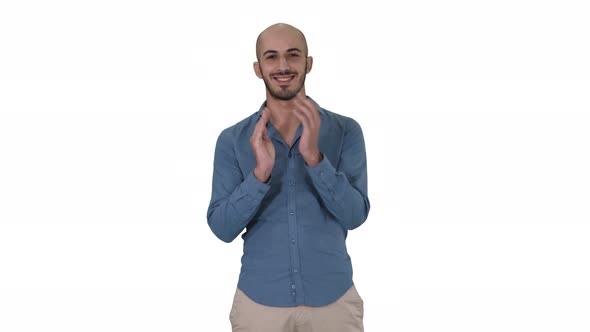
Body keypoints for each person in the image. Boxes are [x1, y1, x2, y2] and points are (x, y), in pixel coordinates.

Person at [207, 23, 370, 332]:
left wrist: (315, 159)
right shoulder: (232, 140)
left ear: (308, 63)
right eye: (272, 57)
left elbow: (355, 216)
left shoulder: (346, 131)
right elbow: (222, 228)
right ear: (258, 69)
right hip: (259, 306)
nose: (283, 66)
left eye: (293, 55)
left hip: (334, 305)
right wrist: (259, 176)